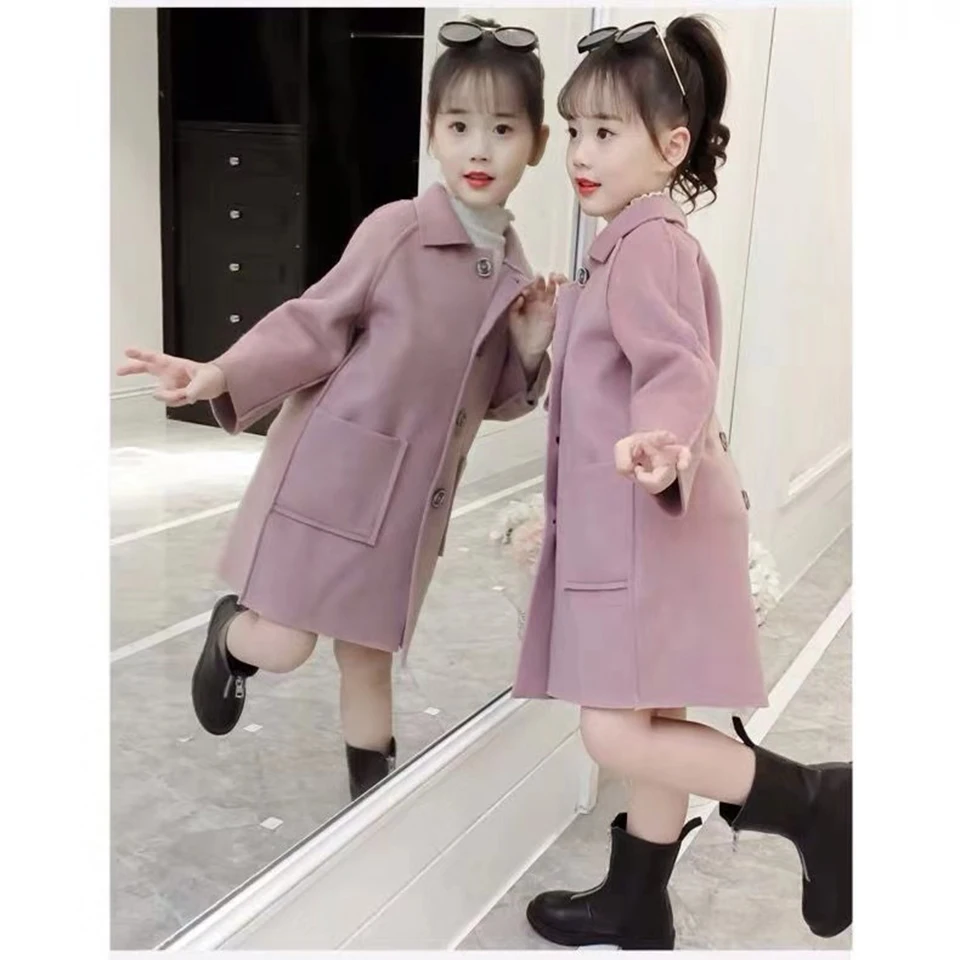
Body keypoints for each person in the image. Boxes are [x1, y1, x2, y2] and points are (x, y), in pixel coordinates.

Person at [117, 18, 562, 802]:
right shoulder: (397, 231)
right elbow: (312, 322)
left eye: (502, 129)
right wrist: (218, 373)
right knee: (287, 645)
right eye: (459, 125)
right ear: (432, 131)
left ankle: (372, 809)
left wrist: (529, 350)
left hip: (406, 512)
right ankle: (232, 635)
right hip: (332, 482)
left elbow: (489, 402)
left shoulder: (514, 272)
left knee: (367, 658)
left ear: (537, 144)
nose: (479, 149)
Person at [512, 16, 852, 949]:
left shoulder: (649, 244)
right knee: (653, 718)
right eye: (573, 130)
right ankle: (635, 900)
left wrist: (662, 439)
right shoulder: (624, 246)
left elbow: (676, 364)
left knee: (615, 732)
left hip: (652, 529)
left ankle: (816, 803)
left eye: (605, 132)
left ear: (670, 147)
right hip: (650, 524)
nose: (580, 153)